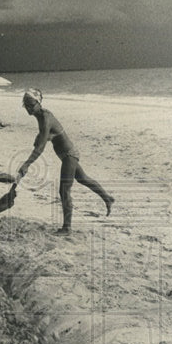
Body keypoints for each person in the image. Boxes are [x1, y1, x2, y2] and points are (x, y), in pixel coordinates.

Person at [15, 88, 113, 234]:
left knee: (64, 190)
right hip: (67, 154)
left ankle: (67, 228)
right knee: (83, 179)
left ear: (38, 103)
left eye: (31, 104)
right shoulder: (41, 116)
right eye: (26, 104)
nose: (28, 108)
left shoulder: (45, 118)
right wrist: (43, 136)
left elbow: (41, 147)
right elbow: (50, 134)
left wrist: (27, 164)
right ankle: (107, 198)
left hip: (68, 155)